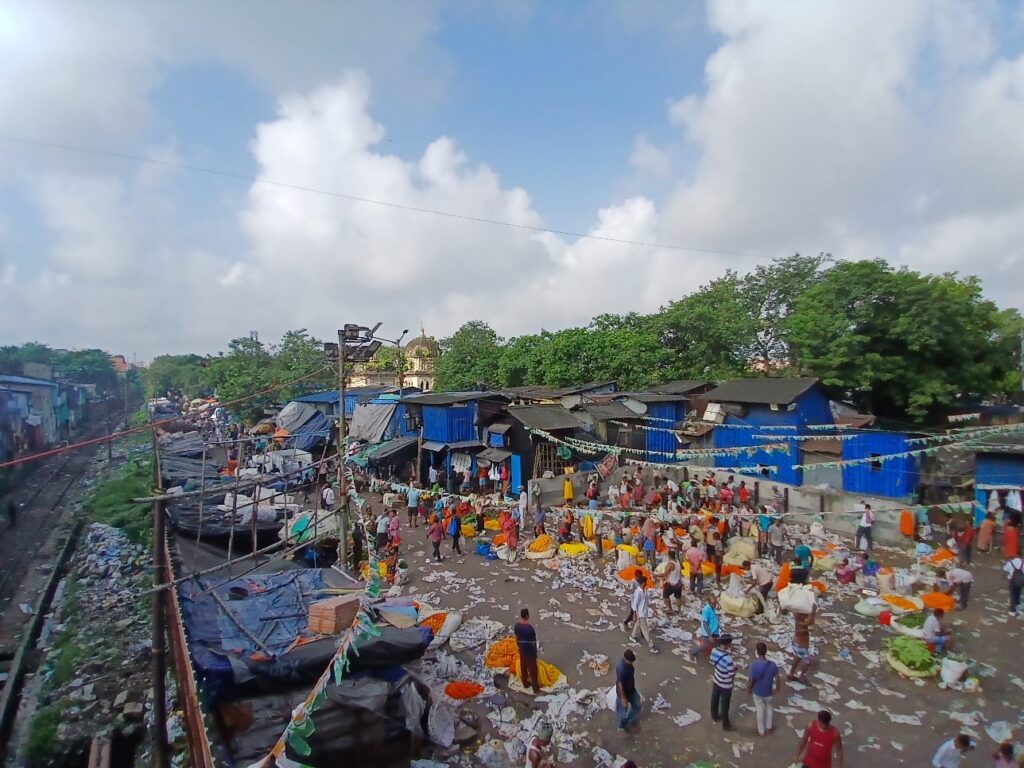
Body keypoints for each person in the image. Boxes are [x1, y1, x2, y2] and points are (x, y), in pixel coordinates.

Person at [747, 641, 780, 737]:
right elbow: (778, 678)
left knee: (759, 709)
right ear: (766, 651)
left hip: (757, 692)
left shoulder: (754, 665)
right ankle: (769, 727)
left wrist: (748, 690)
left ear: (757, 652)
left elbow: (751, 680)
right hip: (768, 692)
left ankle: (761, 731)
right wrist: (777, 689)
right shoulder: (772, 665)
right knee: (769, 707)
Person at [709, 635, 736, 731]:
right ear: (728, 644)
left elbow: (712, 662)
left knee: (714, 699)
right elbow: (731, 674)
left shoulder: (714, 651)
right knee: (725, 705)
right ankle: (726, 725)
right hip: (726, 684)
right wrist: (733, 680)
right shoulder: (728, 659)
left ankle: (714, 716)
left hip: (716, 679)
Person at [628, 573, 658, 653]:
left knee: (638, 624)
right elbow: (635, 604)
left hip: (643, 613)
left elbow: (647, 602)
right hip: (640, 613)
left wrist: (653, 608)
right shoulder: (638, 592)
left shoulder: (644, 591)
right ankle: (651, 645)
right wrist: (634, 615)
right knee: (645, 630)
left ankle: (633, 636)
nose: (646, 583)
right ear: (643, 583)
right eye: (646, 582)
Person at [514, 608, 541, 695]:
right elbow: (533, 642)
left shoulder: (517, 626)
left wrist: (519, 646)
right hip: (529, 652)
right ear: (527, 616)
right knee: (533, 670)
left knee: (523, 667)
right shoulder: (530, 629)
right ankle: (535, 689)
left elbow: (517, 637)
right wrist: (535, 653)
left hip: (522, 649)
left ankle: (525, 683)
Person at [788, 604, 817, 683]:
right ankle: (801, 676)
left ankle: (791, 673)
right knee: (807, 661)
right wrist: (813, 611)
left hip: (796, 642)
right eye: (805, 615)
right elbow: (811, 622)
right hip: (801, 645)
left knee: (797, 657)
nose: (807, 616)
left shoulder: (797, 618)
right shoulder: (801, 623)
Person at [615, 649, 641, 731]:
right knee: (622, 714)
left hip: (631, 689)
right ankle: (622, 726)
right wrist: (623, 698)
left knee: (637, 706)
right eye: (630, 662)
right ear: (626, 659)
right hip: (623, 693)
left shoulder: (629, 665)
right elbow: (620, 684)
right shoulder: (621, 669)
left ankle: (629, 720)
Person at [692, 594, 720, 660]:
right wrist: (709, 635)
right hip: (708, 632)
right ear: (709, 602)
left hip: (714, 630)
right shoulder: (706, 610)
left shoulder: (713, 608)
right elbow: (705, 623)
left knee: (716, 643)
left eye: (715, 603)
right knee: (704, 646)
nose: (715, 605)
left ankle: (713, 654)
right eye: (713, 604)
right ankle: (693, 652)